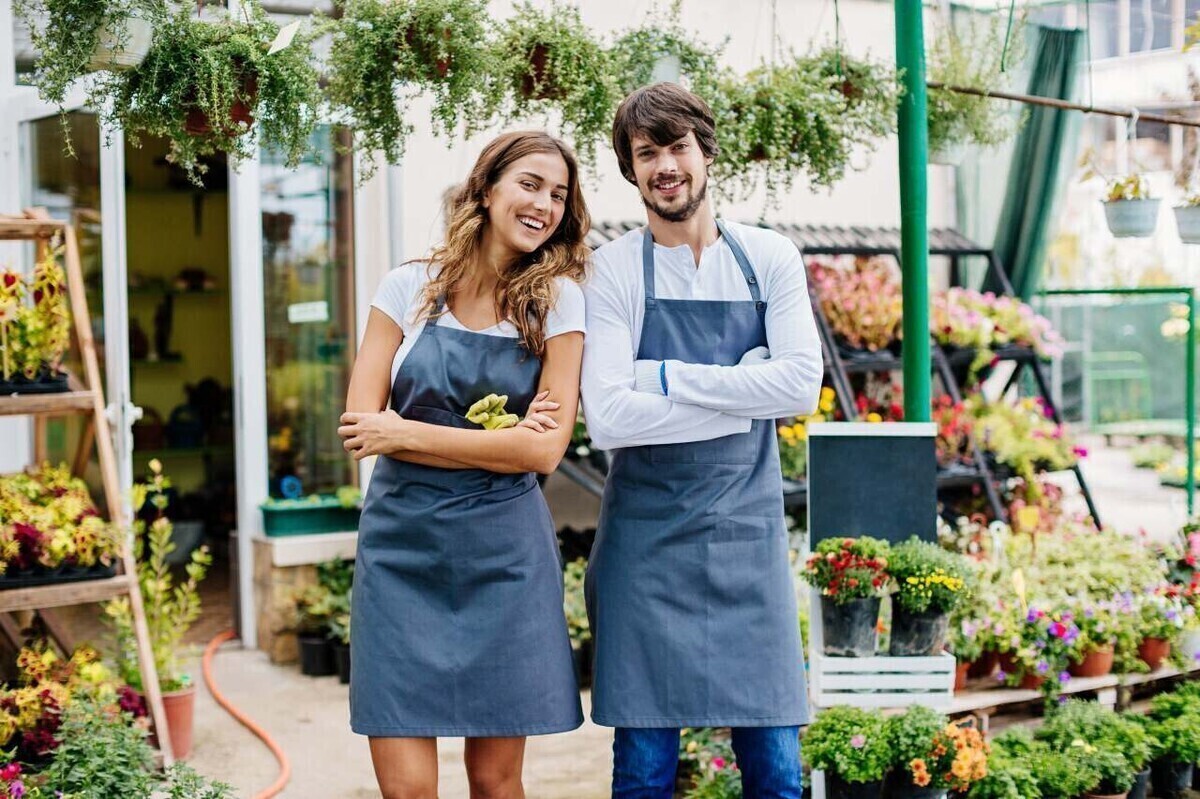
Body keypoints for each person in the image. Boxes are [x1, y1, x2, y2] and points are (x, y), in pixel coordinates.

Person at [580, 83, 824, 799]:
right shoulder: (611, 269)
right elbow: (610, 420)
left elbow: (799, 389)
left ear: (706, 152)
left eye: (677, 146)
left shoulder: (769, 257)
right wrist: (743, 393)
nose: (665, 166)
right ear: (631, 170)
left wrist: (660, 376)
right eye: (645, 153)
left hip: (746, 538)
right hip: (645, 549)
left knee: (777, 769)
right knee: (644, 772)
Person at [339, 130, 589, 799]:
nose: (544, 205)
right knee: (407, 791)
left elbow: (543, 451)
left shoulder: (557, 301)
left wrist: (404, 431)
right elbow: (362, 427)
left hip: (505, 556)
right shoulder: (408, 288)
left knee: (495, 781)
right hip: (401, 551)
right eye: (529, 184)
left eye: (558, 194)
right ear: (485, 189)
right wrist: (498, 444)